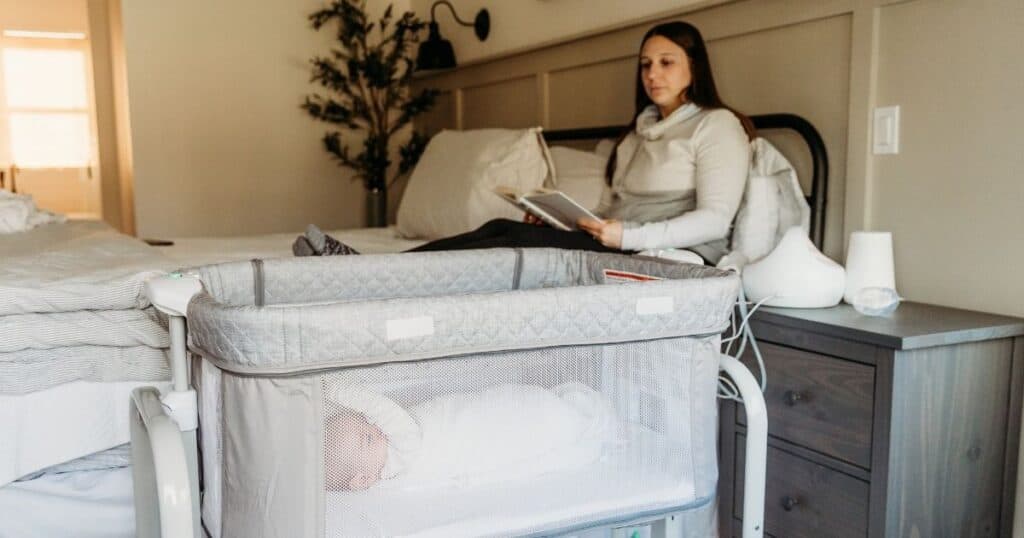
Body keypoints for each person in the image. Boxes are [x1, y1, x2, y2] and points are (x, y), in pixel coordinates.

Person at [295, 21, 753, 262]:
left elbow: (715, 221)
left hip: (663, 254)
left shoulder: (717, 127)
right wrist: (569, 222)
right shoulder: (637, 132)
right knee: (502, 228)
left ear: (695, 66)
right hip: (622, 241)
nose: (653, 74)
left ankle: (364, 269)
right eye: (646, 64)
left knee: (503, 237)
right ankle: (368, 269)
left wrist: (626, 234)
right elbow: (616, 214)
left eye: (667, 62)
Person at [324, 382, 616, 491]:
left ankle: (565, 417)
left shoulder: (384, 468)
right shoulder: (403, 454)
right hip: (497, 428)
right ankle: (567, 419)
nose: (375, 427)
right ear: (362, 480)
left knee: (509, 403)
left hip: (484, 412)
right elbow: (383, 408)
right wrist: (331, 388)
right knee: (536, 418)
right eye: (367, 439)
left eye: (365, 423)